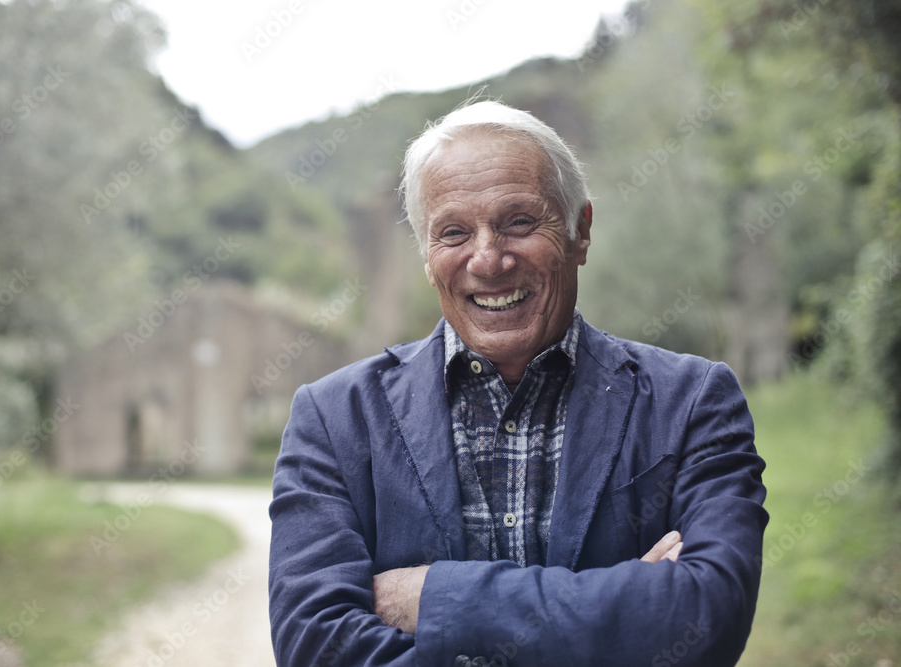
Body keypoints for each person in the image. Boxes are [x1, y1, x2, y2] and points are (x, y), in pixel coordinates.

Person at [268, 99, 768, 667]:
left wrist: (434, 597)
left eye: (519, 222)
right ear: (427, 257)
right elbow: (317, 648)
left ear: (580, 232)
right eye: (454, 232)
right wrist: (621, 615)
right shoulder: (332, 419)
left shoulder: (695, 401)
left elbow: (708, 616)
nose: (488, 260)